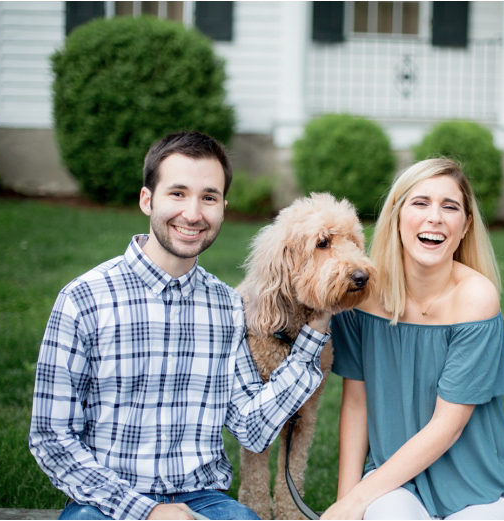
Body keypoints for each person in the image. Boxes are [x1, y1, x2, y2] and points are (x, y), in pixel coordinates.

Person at [29, 131, 331, 520]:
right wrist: (149, 511)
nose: (192, 213)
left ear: (223, 206)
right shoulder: (84, 299)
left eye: (208, 197)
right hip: (105, 502)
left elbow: (252, 428)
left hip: (205, 501)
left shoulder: (226, 305)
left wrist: (315, 328)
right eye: (177, 193)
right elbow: (52, 439)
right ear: (146, 200)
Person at [323, 158, 504, 520]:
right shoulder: (362, 294)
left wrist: (354, 503)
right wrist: (347, 503)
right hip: (395, 482)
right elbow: (357, 405)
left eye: (449, 207)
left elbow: (447, 426)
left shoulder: (475, 298)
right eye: (420, 202)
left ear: (465, 226)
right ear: (397, 215)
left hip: (482, 484)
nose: (434, 217)